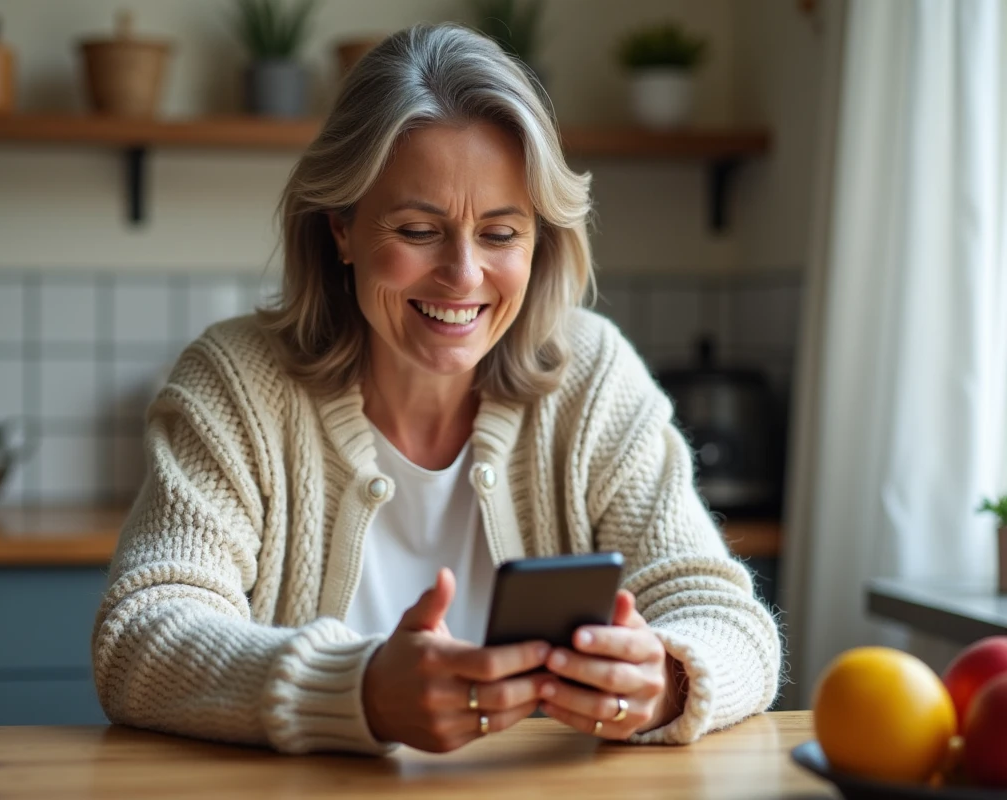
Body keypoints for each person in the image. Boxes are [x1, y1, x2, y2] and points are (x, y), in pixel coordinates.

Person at [91, 23, 781, 755]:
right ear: (343, 231)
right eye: (419, 230)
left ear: (538, 239)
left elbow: (727, 620)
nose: (463, 275)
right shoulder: (236, 384)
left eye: (500, 233)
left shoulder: (592, 375)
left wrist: (663, 680)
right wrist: (357, 690)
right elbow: (142, 637)